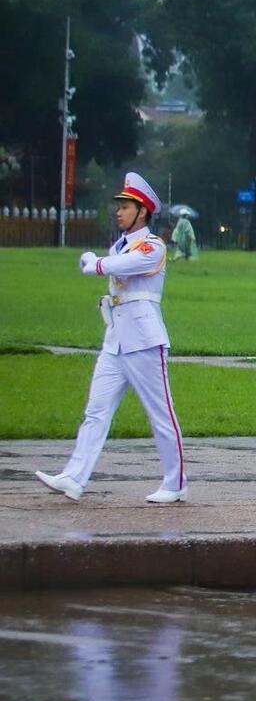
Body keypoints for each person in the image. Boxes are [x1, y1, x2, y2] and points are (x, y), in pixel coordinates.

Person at [35, 172, 188, 503]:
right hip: (116, 339)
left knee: (161, 414)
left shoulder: (152, 246)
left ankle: (176, 483)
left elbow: (121, 266)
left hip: (145, 340)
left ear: (142, 211)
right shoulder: (119, 246)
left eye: (125, 206)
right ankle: (75, 477)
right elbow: (116, 263)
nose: (118, 211)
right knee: (96, 410)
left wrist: (95, 262)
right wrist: (101, 260)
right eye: (118, 206)